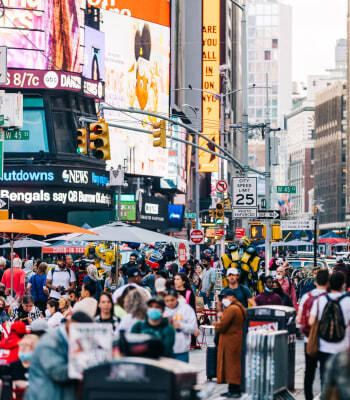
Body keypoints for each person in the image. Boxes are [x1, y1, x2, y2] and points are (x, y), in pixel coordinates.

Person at [25, 312, 93, 400]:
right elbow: (58, 372)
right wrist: (87, 363)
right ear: (70, 324)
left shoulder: (68, 340)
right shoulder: (49, 342)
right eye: (81, 331)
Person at [309, 272, 350, 385]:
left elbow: (311, 321)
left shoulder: (320, 300)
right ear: (343, 285)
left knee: (324, 376)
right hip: (343, 347)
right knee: (341, 380)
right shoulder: (348, 301)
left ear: (329, 284)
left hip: (324, 345)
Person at [297, 268, 329, 400]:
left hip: (309, 339)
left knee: (309, 371)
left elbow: (299, 318)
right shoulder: (330, 297)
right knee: (324, 371)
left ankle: (308, 397)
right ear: (328, 282)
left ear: (315, 281)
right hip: (326, 340)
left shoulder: (307, 297)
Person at [214, 288, 246, 398]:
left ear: (232, 297)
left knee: (232, 366)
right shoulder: (239, 307)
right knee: (232, 365)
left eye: (225, 297)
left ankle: (234, 391)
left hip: (231, 340)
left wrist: (215, 324)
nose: (223, 300)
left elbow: (223, 325)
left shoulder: (232, 309)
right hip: (235, 339)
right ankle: (232, 389)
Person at [163, 289, 197, 362]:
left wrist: (180, 326)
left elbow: (193, 328)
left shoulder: (186, 309)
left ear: (177, 298)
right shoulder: (162, 309)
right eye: (167, 301)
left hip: (181, 350)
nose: (170, 303)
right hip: (165, 351)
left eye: (172, 300)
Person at [8, 334, 39, 399]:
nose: (22, 348)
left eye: (27, 346)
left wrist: (27, 384)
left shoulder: (40, 367)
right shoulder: (12, 366)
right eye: (21, 345)